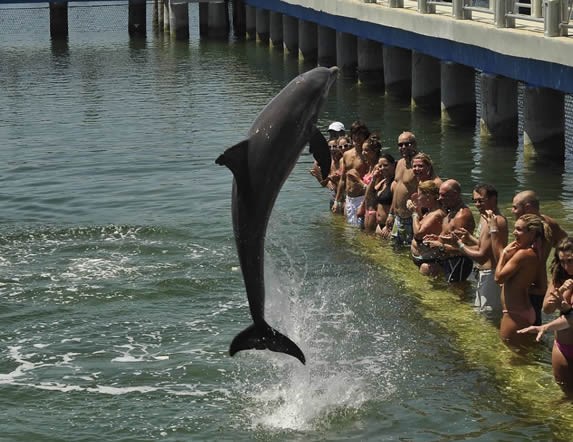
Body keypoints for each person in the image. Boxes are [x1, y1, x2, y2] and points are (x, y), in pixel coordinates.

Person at [446, 184, 508, 317]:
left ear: (493, 199)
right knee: (480, 316)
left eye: (481, 200)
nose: (477, 204)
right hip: (482, 274)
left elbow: (482, 256)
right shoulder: (485, 218)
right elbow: (485, 246)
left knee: (489, 319)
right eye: (475, 201)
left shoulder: (497, 221)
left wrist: (459, 246)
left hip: (491, 276)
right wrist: (468, 238)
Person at [511, 190, 568, 325]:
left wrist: (559, 269)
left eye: (514, 207)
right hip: (538, 286)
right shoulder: (549, 223)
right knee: (532, 325)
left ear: (528, 208)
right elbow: (566, 244)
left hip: (530, 287)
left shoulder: (543, 227)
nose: (512, 211)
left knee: (526, 328)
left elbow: (566, 246)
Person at [495, 214, 552, 348]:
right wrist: (521, 287)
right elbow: (542, 287)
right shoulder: (536, 254)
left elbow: (498, 278)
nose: (514, 232)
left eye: (519, 229)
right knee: (524, 358)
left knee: (510, 360)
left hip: (514, 314)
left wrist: (503, 255)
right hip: (526, 311)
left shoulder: (522, 255)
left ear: (532, 233)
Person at [423, 179, 476, 283]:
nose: (439, 198)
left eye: (443, 195)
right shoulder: (451, 212)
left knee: (458, 295)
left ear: (455, 195)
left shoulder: (461, 216)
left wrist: (440, 246)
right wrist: (437, 238)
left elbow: (463, 249)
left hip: (459, 262)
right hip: (447, 259)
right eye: (439, 195)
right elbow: (450, 237)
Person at [381, 131, 418, 245]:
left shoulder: (419, 165)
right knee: (395, 251)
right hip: (397, 217)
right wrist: (391, 214)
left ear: (415, 144)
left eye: (407, 144)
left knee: (409, 253)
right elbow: (396, 192)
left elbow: (432, 185)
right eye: (400, 145)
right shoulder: (400, 163)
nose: (403, 147)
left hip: (411, 218)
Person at [333, 121, 371, 224]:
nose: (357, 137)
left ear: (365, 136)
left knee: (361, 232)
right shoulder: (346, 154)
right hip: (349, 198)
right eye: (354, 134)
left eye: (360, 134)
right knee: (348, 233)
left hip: (362, 198)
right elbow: (342, 180)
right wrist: (337, 201)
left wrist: (364, 204)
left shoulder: (368, 155)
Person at [408, 181, 446, 276]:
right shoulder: (429, 212)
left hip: (429, 262)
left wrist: (414, 213)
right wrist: (417, 210)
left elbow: (418, 233)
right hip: (422, 258)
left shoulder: (437, 214)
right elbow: (422, 225)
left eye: (420, 195)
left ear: (428, 196)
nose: (418, 198)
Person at [310, 138, 344, 211]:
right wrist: (318, 176)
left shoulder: (343, 160)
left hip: (345, 196)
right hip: (334, 195)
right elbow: (323, 183)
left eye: (334, 146)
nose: (332, 149)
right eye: (329, 147)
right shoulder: (328, 162)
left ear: (338, 147)